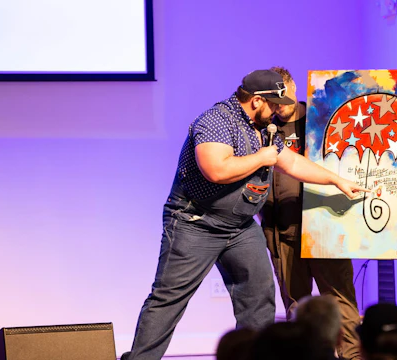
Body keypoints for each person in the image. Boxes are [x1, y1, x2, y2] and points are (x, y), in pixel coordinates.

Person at [121, 69, 371, 360]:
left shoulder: (263, 128)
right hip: (196, 223)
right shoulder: (216, 120)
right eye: (274, 104)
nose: (279, 110)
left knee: (259, 295)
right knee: (169, 298)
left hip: (239, 226)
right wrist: (262, 158)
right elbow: (215, 169)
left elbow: (290, 162)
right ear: (256, 101)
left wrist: (336, 181)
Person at [258, 66, 363, 360]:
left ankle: (352, 357)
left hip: (325, 226)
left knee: (339, 299)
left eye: (285, 100)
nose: (280, 109)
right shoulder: (261, 129)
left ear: (294, 90)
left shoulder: (321, 120)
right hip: (281, 227)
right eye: (275, 103)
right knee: (295, 305)